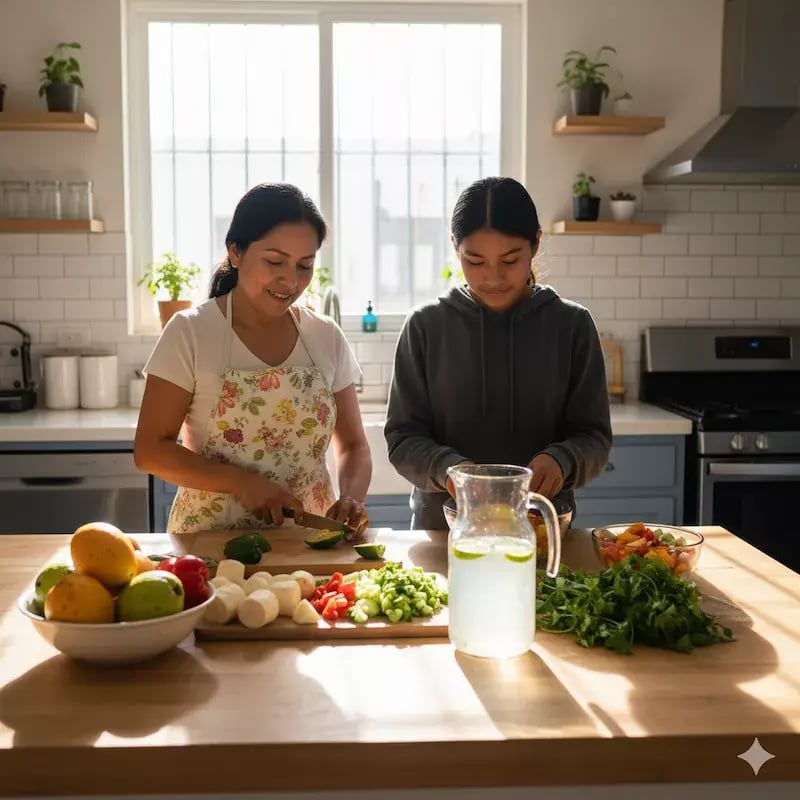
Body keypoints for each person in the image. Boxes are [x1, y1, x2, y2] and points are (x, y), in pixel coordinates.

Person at [135, 183, 372, 534]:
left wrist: (352, 497)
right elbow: (151, 450)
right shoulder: (190, 332)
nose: (290, 280)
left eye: (304, 265)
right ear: (235, 251)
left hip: (308, 540)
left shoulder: (325, 336)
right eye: (275, 261)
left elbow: (353, 445)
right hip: (211, 541)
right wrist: (241, 482)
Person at [384, 176, 612, 530]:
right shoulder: (425, 326)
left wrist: (561, 460)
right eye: (475, 261)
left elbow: (593, 437)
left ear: (535, 244)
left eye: (510, 260)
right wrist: (449, 470)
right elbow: (402, 439)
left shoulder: (572, 325)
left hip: (541, 533)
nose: (493, 277)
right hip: (444, 532)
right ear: (455, 248)